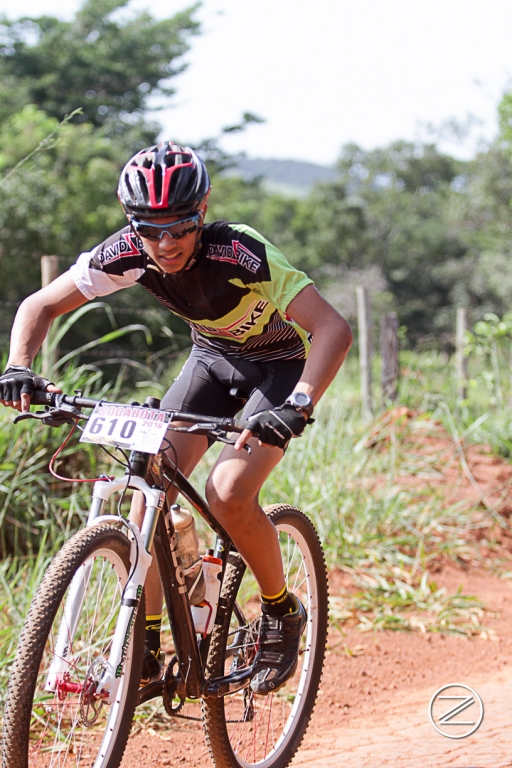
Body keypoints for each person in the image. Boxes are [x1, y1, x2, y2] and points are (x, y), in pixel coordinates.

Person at [0, 141, 352, 695]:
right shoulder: (126, 252)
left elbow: (333, 328)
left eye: (180, 227)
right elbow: (39, 305)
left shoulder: (239, 251)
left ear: (202, 212)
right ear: (131, 222)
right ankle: (144, 643)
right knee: (150, 484)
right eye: (149, 229)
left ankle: (282, 611)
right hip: (212, 360)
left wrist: (299, 404)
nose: (165, 244)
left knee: (227, 492)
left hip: (282, 367)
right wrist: (19, 366)